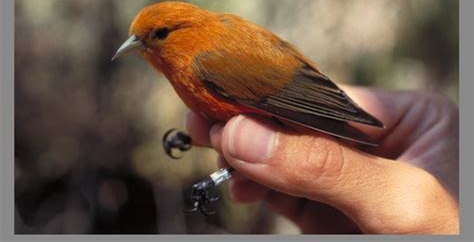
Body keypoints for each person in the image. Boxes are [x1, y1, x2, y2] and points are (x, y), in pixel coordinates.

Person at [185, 86, 459, 234]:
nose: (140, 43)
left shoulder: (205, 62)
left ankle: (214, 176)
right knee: (234, 141)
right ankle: (195, 146)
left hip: (294, 105)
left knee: (245, 144)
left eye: (159, 35)